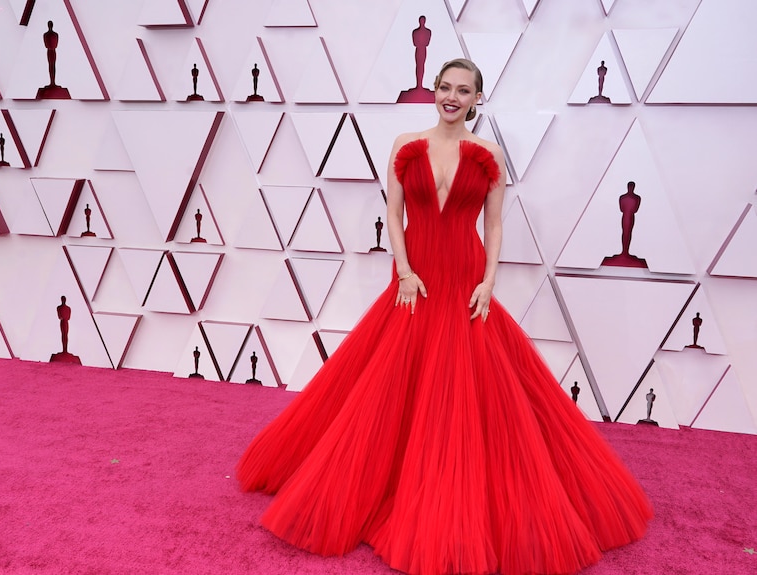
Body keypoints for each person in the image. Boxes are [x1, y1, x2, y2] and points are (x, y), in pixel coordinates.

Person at [237, 58, 652, 575]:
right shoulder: (404, 144)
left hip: (464, 280)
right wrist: (404, 271)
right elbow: (392, 212)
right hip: (415, 279)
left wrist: (489, 281)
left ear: (478, 99)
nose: (451, 97)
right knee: (390, 388)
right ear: (433, 91)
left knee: (465, 392)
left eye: (463, 90)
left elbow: (495, 224)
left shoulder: (489, 155)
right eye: (444, 87)